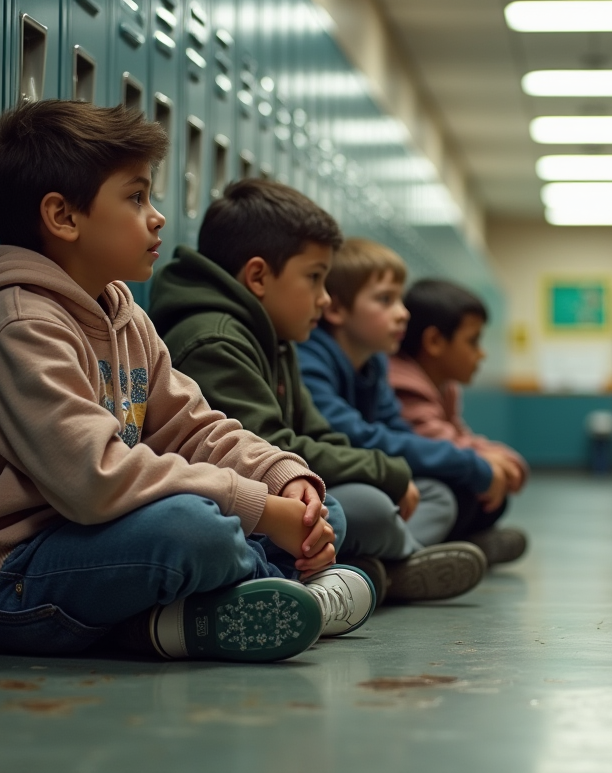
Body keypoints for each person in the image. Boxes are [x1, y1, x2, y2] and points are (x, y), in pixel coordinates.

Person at [0, 100, 373, 665]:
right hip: (21, 577)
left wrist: (282, 479)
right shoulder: (19, 325)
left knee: (321, 509)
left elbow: (195, 429)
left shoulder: (123, 315)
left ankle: (188, 620)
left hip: (108, 542)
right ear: (63, 216)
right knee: (195, 530)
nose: (157, 217)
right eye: (136, 197)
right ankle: (282, 595)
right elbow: (95, 478)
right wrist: (258, 509)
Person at [148, 179, 486, 604]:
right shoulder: (215, 340)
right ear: (258, 276)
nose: (324, 299)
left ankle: (374, 570)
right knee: (355, 509)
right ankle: (381, 572)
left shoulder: (277, 337)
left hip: (286, 487)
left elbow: (319, 432)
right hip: (238, 499)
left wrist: (386, 470)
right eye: (314, 278)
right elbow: (271, 446)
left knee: (398, 499)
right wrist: (384, 471)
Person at [296, 239, 516, 563]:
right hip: (328, 478)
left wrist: (470, 466)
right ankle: (408, 562)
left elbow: (396, 430)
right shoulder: (309, 359)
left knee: (455, 496)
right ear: (336, 309)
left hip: (369, 471)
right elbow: (355, 436)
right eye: (385, 300)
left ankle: (408, 558)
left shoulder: (375, 364)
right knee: (378, 507)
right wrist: (470, 464)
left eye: (400, 299)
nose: (403, 313)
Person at [389, 279, 528, 564]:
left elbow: (458, 435)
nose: (482, 353)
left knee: (490, 498)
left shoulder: (445, 387)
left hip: (429, 473)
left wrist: (499, 457)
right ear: (434, 342)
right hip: (407, 485)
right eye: (473, 341)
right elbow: (436, 440)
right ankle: (433, 556)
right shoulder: (403, 382)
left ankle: (464, 549)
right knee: (464, 495)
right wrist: (490, 461)